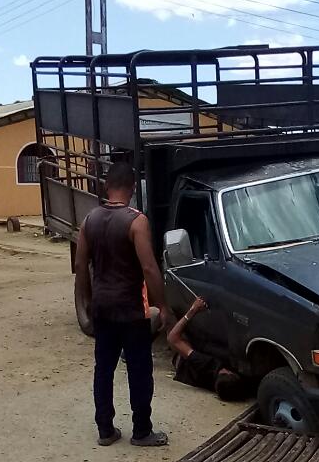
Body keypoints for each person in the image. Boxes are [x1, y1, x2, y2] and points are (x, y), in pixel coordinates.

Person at [74, 161, 171, 447]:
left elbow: (81, 266)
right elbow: (150, 269)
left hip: (103, 309)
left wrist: (88, 304)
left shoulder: (89, 220)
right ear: (131, 188)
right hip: (131, 310)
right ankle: (141, 430)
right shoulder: (136, 221)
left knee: (103, 369)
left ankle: (105, 429)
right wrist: (163, 306)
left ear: (106, 186)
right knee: (139, 369)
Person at [167, 297, 249, 401]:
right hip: (197, 369)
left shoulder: (206, 364)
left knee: (170, 318)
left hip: (182, 362)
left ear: (226, 372)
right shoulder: (227, 386)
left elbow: (173, 338)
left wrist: (193, 310)